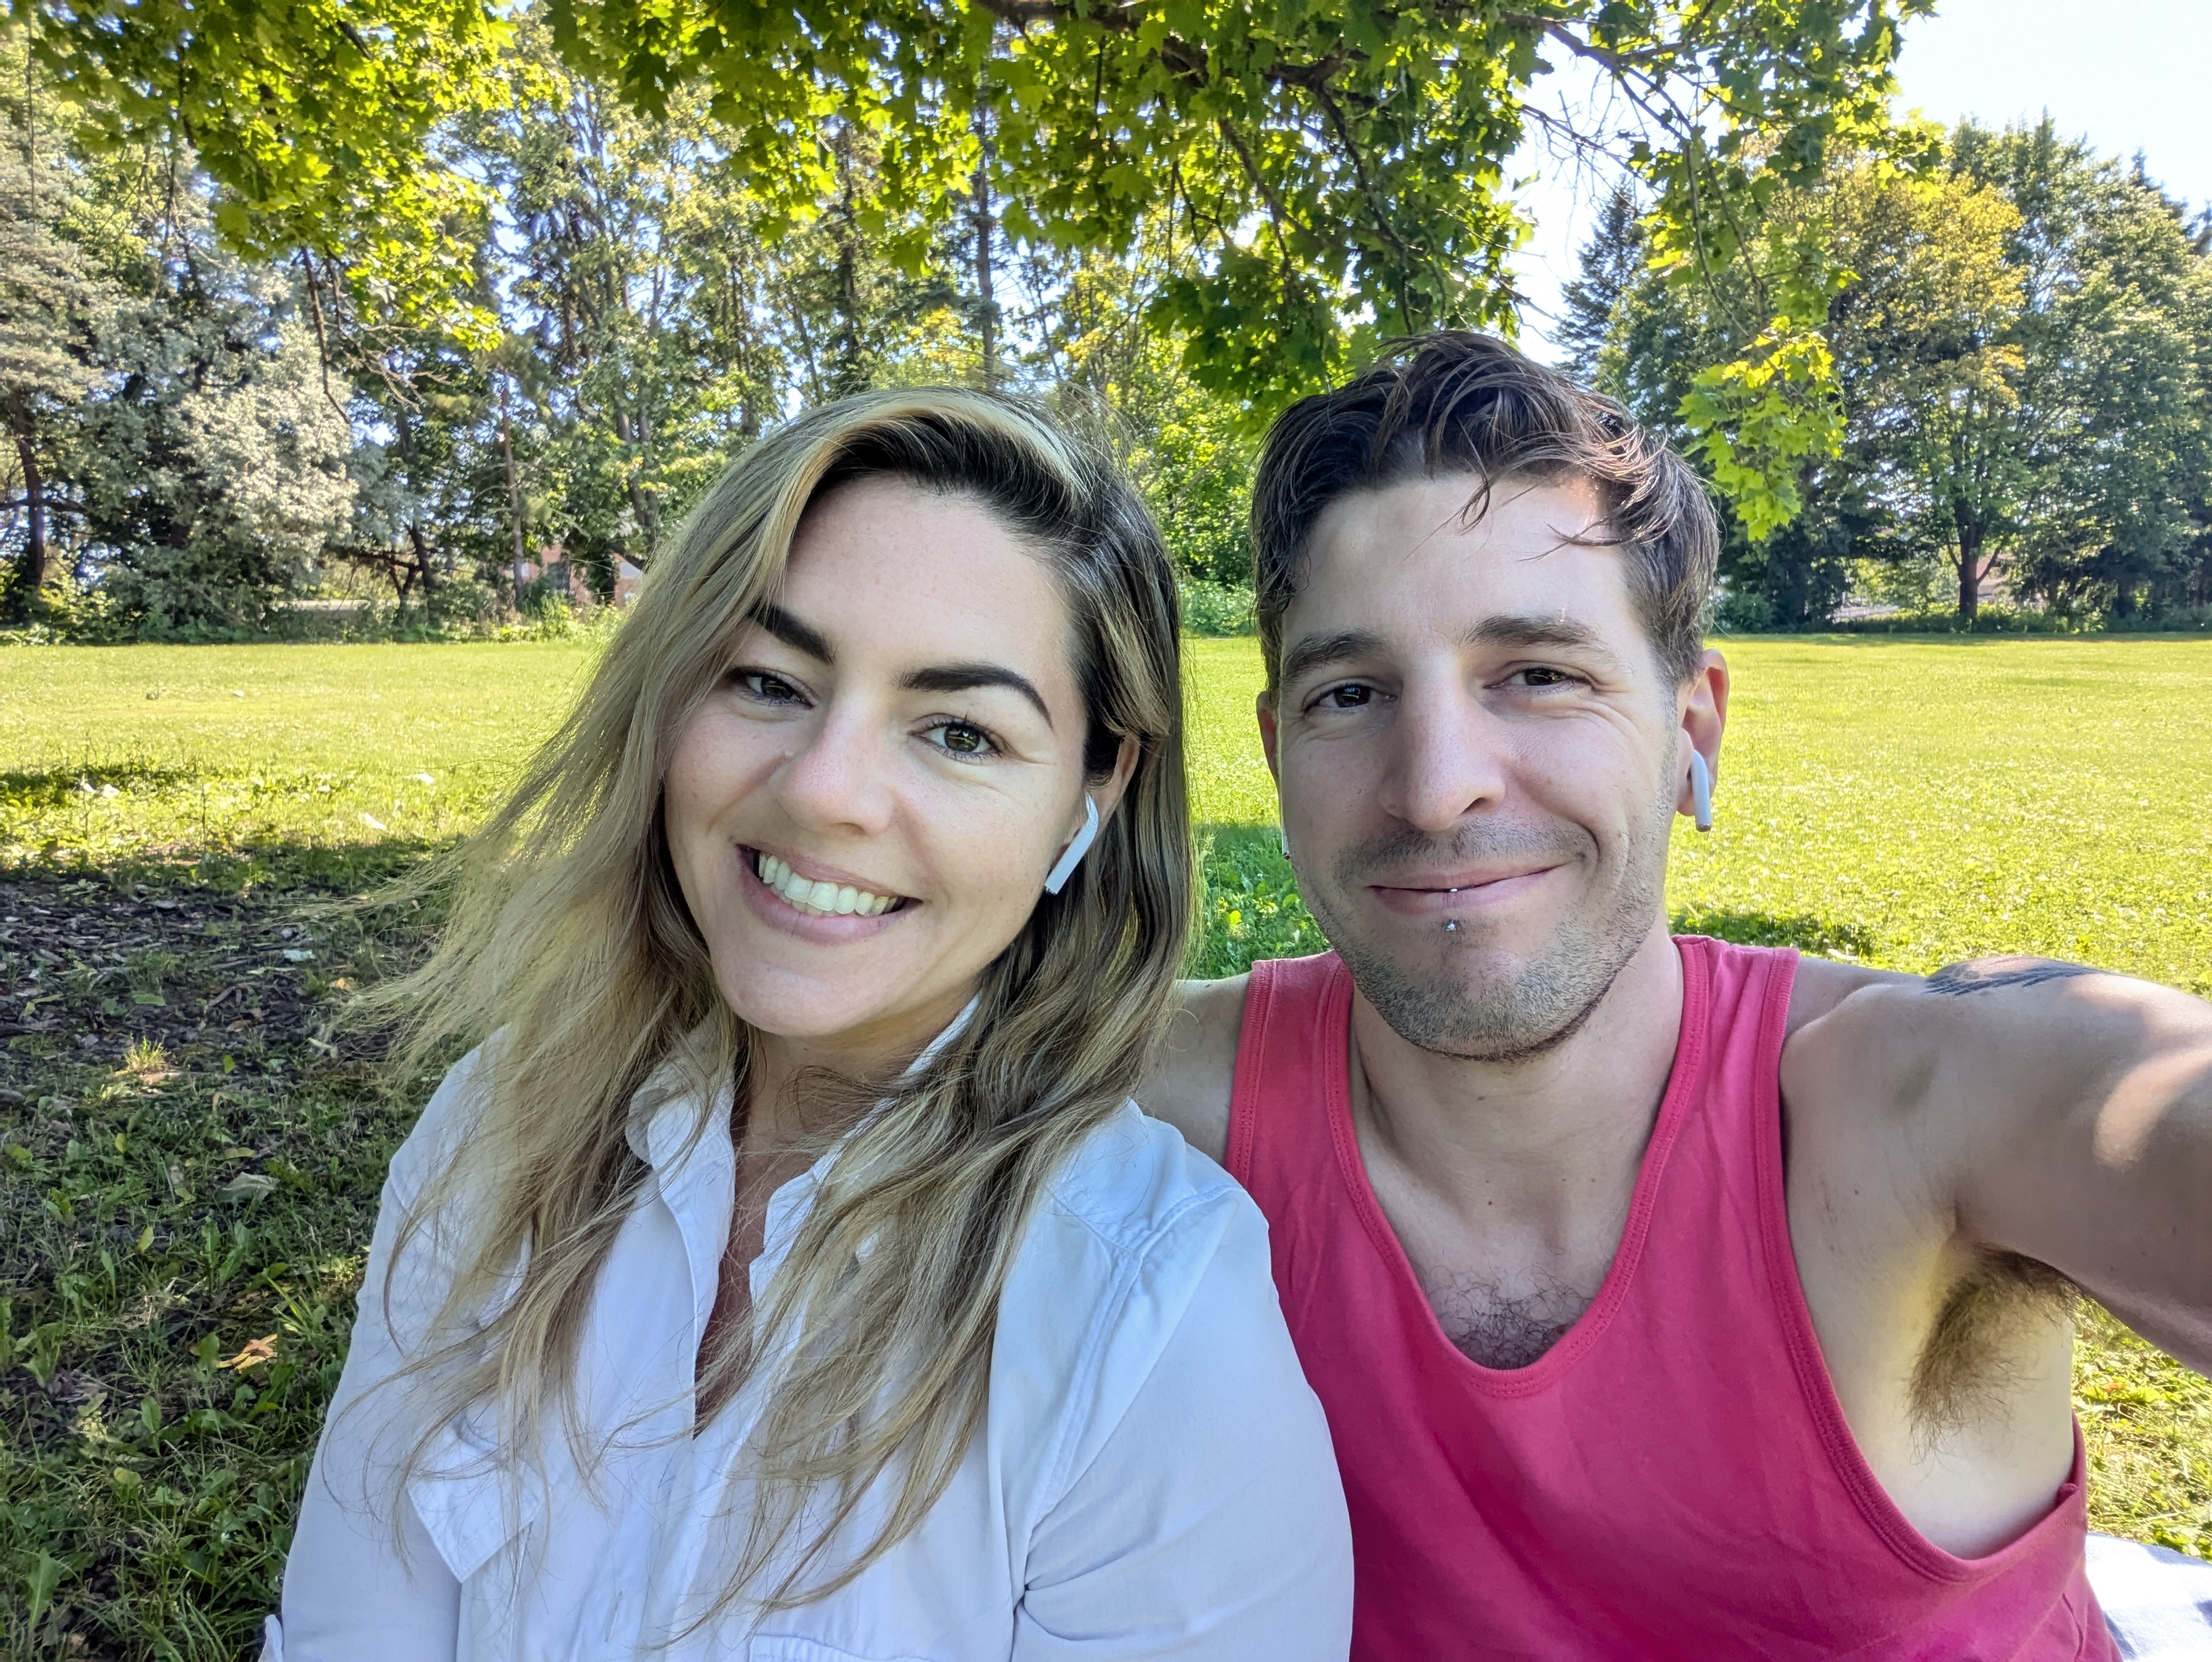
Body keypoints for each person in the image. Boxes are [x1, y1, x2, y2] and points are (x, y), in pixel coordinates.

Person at [1141, 333, 2212, 1660]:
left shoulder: (1909, 1106)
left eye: (1537, 673)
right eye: (1349, 692)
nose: (1433, 785)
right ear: (1273, 750)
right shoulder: (1173, 1098)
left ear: (1690, 731)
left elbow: (2131, 1110)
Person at [269, 389, 1352, 1660]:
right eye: (770, 680)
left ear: (1090, 796)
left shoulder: (1149, 1324)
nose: (827, 789)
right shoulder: (494, 1130)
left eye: (960, 731)